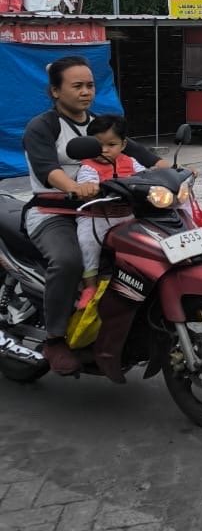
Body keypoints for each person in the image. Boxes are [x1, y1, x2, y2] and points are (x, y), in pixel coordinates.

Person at [22, 56, 167, 376]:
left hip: (103, 210)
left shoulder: (101, 125)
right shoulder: (42, 127)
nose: (86, 91)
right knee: (69, 260)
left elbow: (141, 155)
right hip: (54, 211)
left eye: (89, 85)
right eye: (77, 86)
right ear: (55, 91)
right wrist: (74, 187)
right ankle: (55, 339)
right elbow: (47, 169)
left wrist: (174, 173)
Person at [75, 114, 146, 290]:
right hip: (96, 216)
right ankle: (90, 285)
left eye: (111, 145)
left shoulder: (130, 161)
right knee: (87, 241)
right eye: (98, 145)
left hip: (127, 214)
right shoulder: (88, 166)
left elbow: (146, 176)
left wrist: (170, 174)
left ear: (123, 145)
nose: (104, 150)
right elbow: (86, 182)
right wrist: (88, 187)